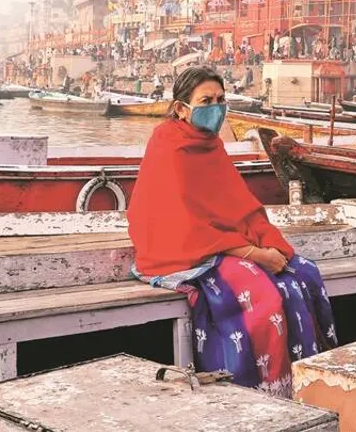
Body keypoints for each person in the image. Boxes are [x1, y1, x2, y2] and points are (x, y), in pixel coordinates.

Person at [128, 67, 337, 397]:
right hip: (180, 248)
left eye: (220, 100)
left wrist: (268, 243)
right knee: (262, 295)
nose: (216, 107)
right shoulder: (169, 147)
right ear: (181, 109)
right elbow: (184, 224)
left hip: (219, 240)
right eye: (206, 101)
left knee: (303, 274)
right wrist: (255, 254)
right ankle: (259, 393)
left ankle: (313, 382)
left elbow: (238, 205)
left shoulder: (210, 145)